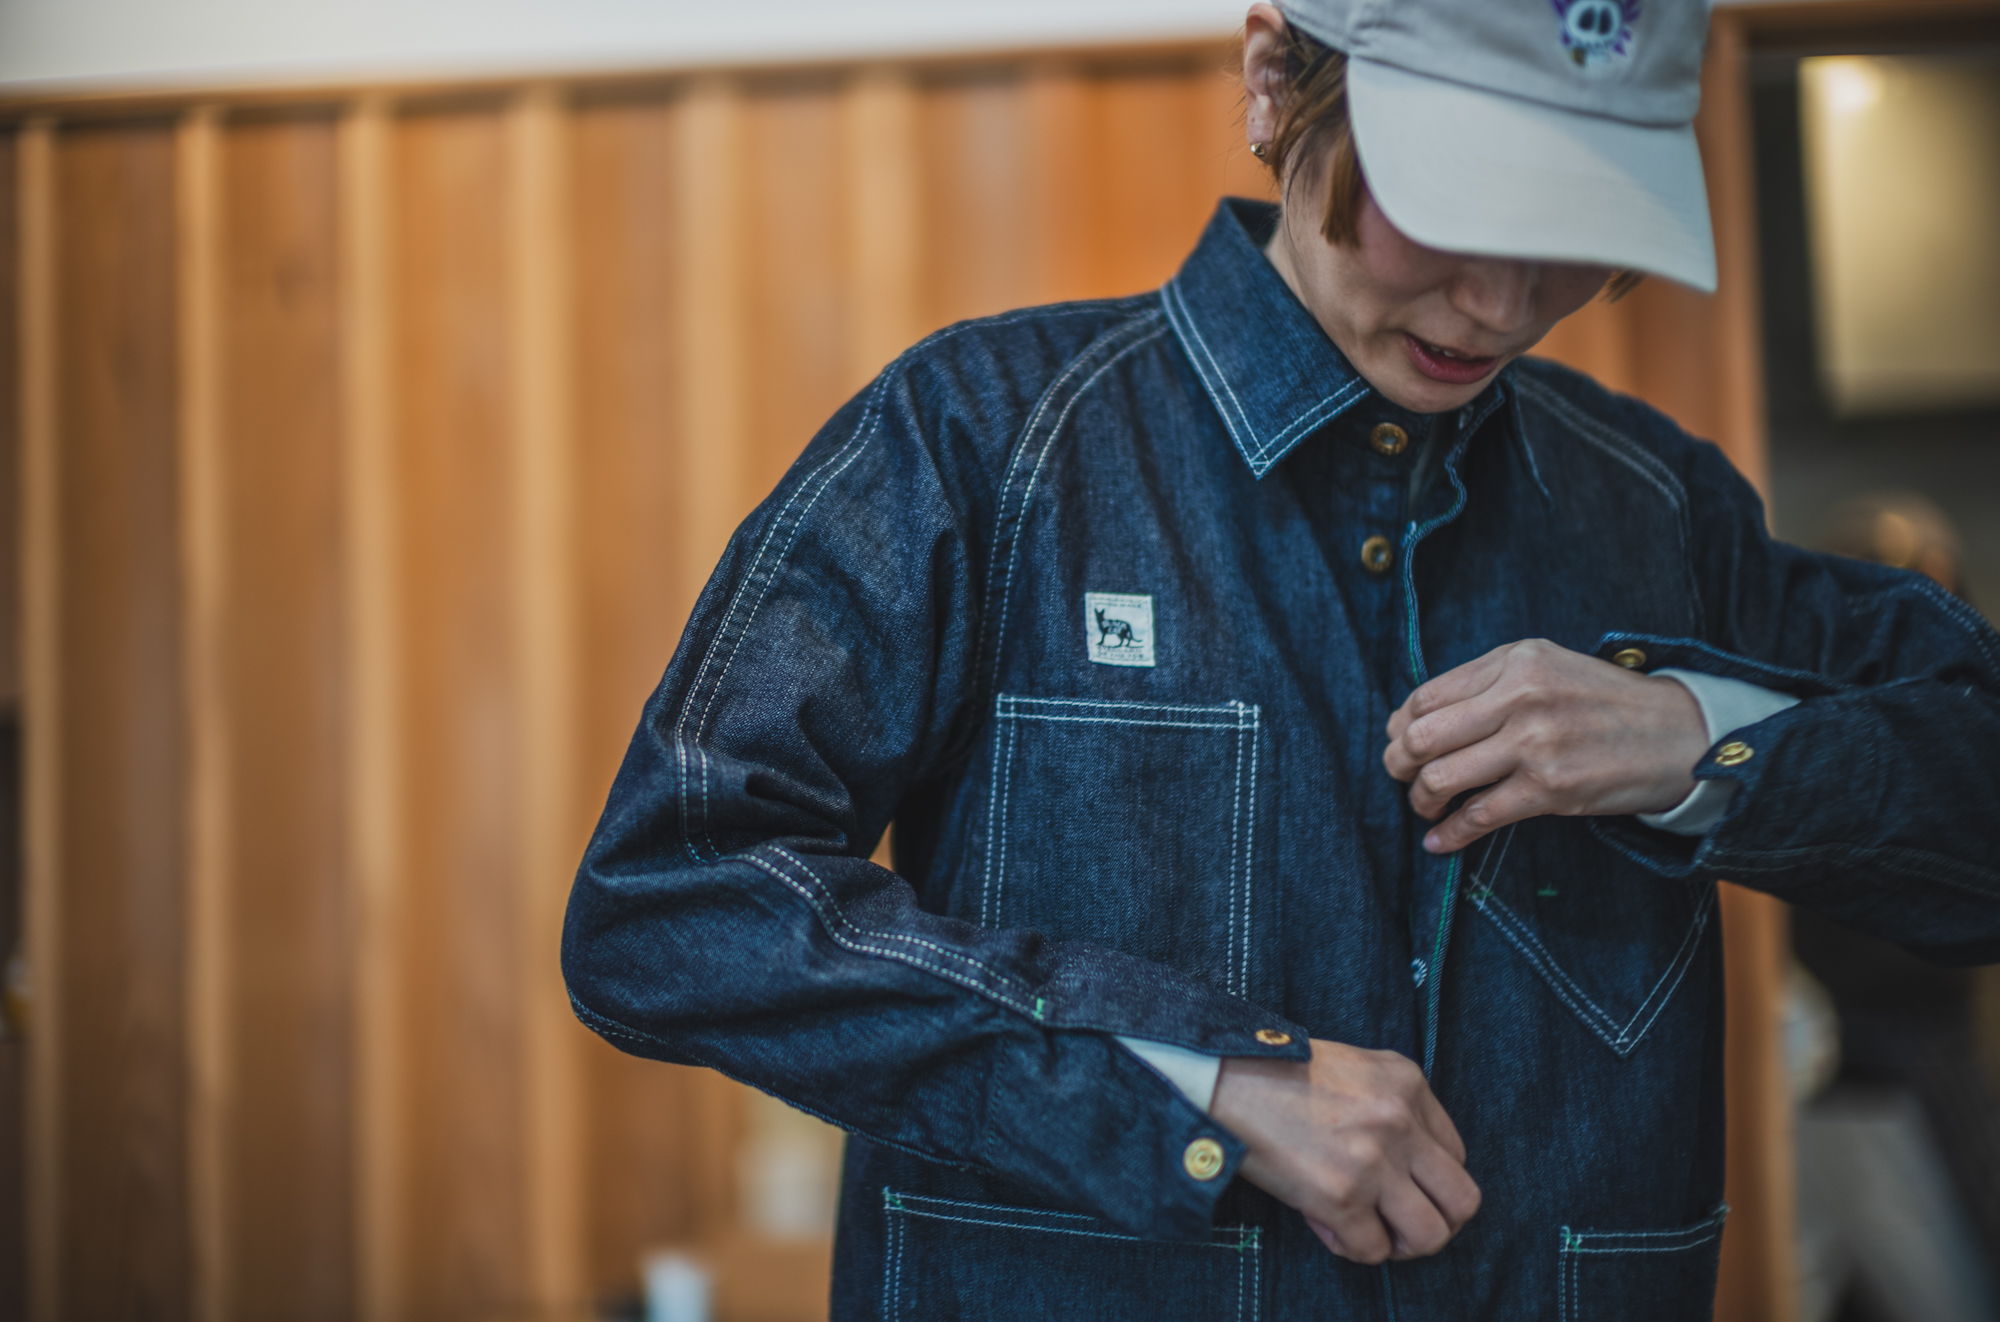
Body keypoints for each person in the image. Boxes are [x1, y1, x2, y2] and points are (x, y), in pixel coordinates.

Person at [562, 0, 2000, 1316]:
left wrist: (1704, 742)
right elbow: (668, 899)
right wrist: (1191, 1079)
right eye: (1454, 205)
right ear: (1274, 83)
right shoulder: (982, 440)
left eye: (1575, 225)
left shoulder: (1655, 508)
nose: (1504, 304)